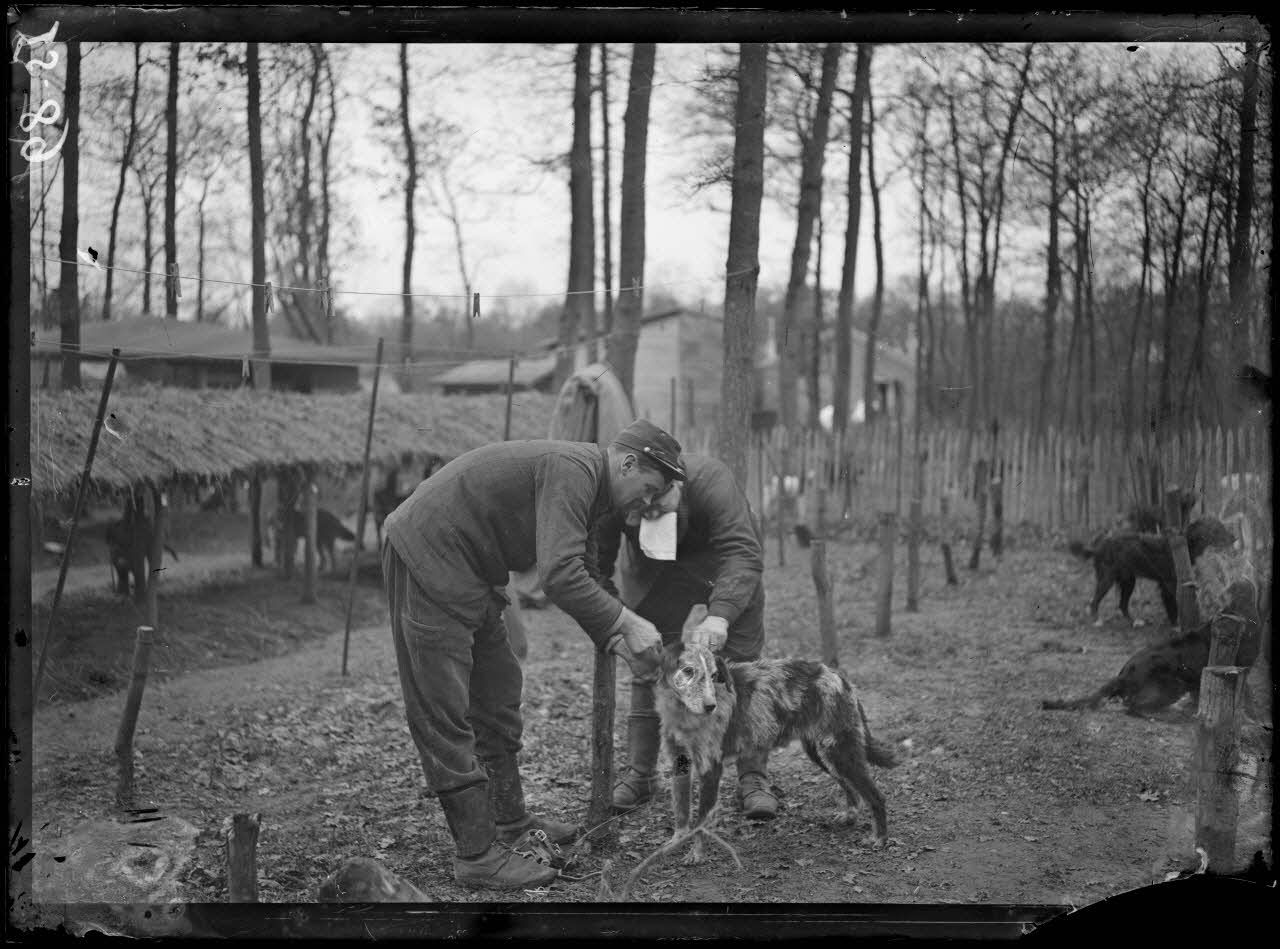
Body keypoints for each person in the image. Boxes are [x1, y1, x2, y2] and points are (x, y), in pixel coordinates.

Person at [380, 419, 686, 890]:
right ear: (628, 463)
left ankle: (510, 822)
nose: (646, 504)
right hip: (427, 552)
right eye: (649, 489)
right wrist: (627, 621)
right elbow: (559, 574)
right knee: (442, 709)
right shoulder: (574, 470)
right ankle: (477, 856)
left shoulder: (591, 489)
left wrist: (619, 641)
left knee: (498, 693)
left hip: (473, 568)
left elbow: (581, 568)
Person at [593, 452, 776, 820]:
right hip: (656, 576)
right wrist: (620, 618)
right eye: (640, 505)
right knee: (650, 667)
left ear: (676, 484)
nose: (648, 507)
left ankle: (753, 777)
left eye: (658, 500)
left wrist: (721, 616)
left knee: (741, 673)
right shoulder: (616, 493)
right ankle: (642, 774)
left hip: (724, 573)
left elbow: (742, 552)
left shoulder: (712, 482)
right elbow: (593, 564)